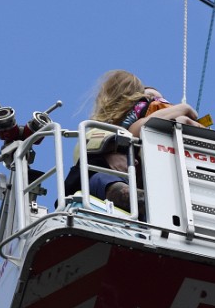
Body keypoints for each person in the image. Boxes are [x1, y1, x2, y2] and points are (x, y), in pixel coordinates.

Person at [66, 70, 202, 211]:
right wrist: (182, 109)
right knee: (104, 180)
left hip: (137, 194)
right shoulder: (96, 130)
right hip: (99, 186)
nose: (157, 104)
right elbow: (136, 130)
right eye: (149, 99)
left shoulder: (151, 141)